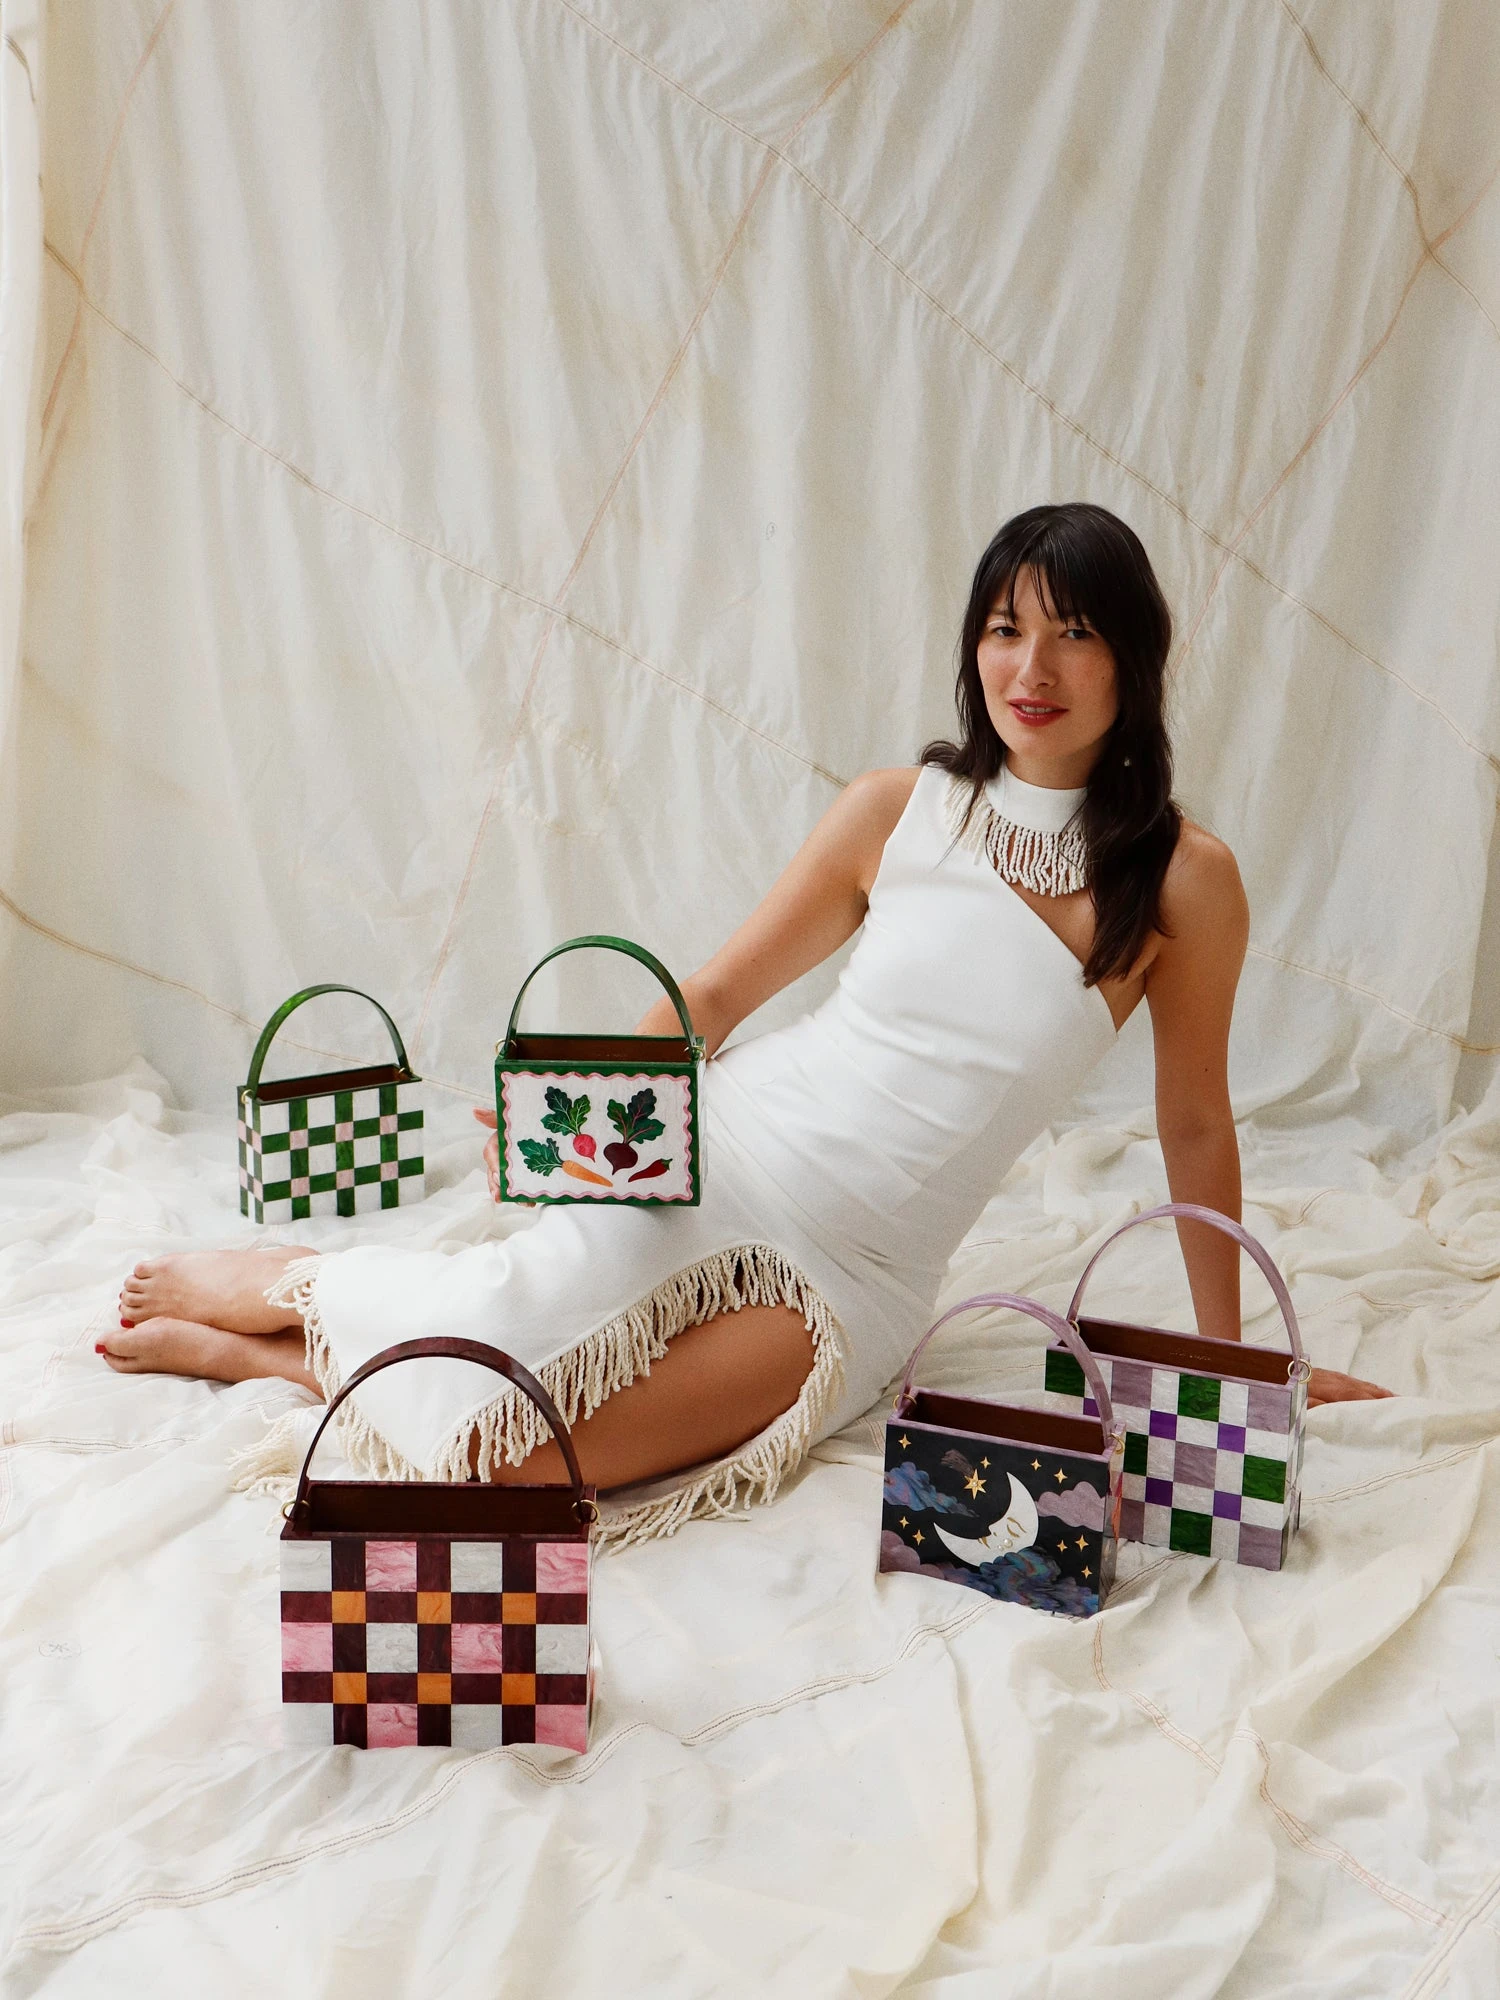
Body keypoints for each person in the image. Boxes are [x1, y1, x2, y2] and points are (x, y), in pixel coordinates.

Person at [103, 503, 1388, 1543]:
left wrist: (1234, 1363)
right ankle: (291, 1289)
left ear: (1134, 659)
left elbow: (1195, 1120)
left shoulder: (1184, 882)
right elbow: (714, 998)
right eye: (1005, 629)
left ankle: (284, 1358)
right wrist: (587, 1120)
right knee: (509, 1324)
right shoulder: (898, 808)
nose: (1030, 669)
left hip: (860, 1275)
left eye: (1073, 634)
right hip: (725, 1153)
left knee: (539, 1463)